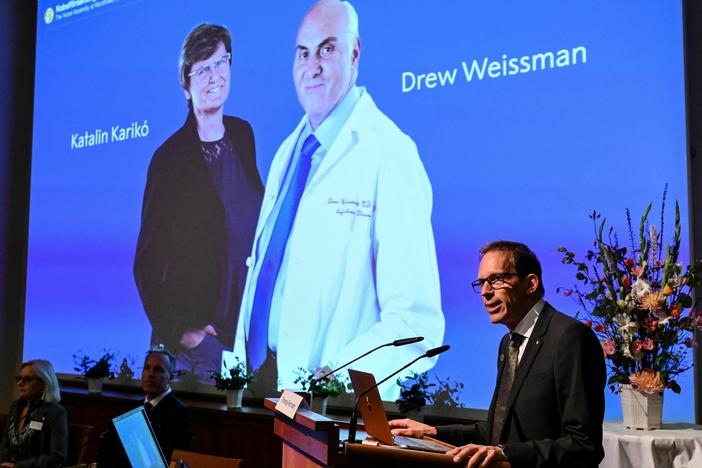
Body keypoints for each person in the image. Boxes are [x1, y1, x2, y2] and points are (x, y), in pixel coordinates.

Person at [229, 0, 444, 399]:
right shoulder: (287, 154)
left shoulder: (390, 153)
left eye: (327, 49)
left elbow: (417, 323)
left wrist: (341, 375)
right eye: (302, 52)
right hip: (258, 390)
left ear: (355, 53)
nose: (312, 66)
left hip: (330, 408)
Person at [389, 241, 606, 468]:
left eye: (496, 280)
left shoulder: (569, 337)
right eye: (481, 282)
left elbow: (583, 445)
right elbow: (498, 430)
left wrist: (506, 453)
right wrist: (432, 432)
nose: (485, 292)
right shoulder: (508, 343)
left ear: (530, 283)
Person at [134, 23, 263, 379]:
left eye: (221, 63)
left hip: (241, 337)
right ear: (186, 85)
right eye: (202, 69)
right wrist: (183, 334)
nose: (214, 76)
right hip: (197, 349)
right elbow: (145, 263)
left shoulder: (242, 135)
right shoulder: (170, 159)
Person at [95, 349, 193, 466]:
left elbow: (175, 460)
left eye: (158, 369)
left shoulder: (181, 414)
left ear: (171, 377)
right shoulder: (133, 409)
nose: (150, 374)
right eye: (146, 368)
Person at [0, 360, 67, 468]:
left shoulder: (56, 412)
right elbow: (5, 443)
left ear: (44, 382)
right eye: (19, 378)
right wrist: (3, 463)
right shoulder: (16, 406)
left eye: (28, 379)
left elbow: (57, 456)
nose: (20, 383)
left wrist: (17, 466)